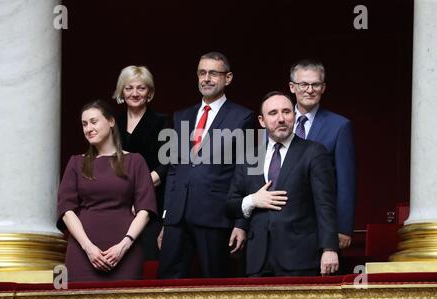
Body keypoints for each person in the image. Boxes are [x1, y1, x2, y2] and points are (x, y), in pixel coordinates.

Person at [157, 52, 254, 279]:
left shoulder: (243, 117)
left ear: (227, 78)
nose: (206, 78)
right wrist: (167, 218)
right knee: (167, 285)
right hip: (177, 217)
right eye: (202, 73)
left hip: (216, 215)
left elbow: (249, 171)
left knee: (215, 282)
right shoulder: (181, 116)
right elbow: (174, 169)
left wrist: (241, 223)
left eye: (213, 73)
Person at [226, 92, 339, 277]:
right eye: (273, 113)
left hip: (299, 259)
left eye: (286, 112)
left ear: (294, 116)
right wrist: (253, 200)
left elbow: (325, 205)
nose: (281, 119)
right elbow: (230, 205)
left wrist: (329, 248)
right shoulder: (250, 157)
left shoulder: (313, 152)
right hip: (257, 260)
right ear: (262, 121)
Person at [57, 100, 157, 282]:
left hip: (126, 251)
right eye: (84, 124)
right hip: (82, 251)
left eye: (93, 122)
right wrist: (88, 248)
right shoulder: (75, 163)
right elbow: (66, 211)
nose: (88, 128)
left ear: (111, 121)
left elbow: (146, 209)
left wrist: (124, 245)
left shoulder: (135, 161)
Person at [289, 59, 356, 249]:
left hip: (319, 226)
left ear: (323, 87)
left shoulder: (339, 126)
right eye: (303, 84)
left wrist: (343, 227)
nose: (309, 90)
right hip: (279, 226)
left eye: (315, 84)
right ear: (292, 87)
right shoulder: (277, 122)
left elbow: (346, 181)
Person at [112, 65, 170, 261]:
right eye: (129, 88)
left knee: (148, 261)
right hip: (119, 204)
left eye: (141, 88)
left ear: (150, 92)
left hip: (153, 203)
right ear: (122, 91)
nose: (134, 93)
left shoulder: (163, 122)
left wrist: (141, 192)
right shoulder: (113, 124)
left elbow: (167, 164)